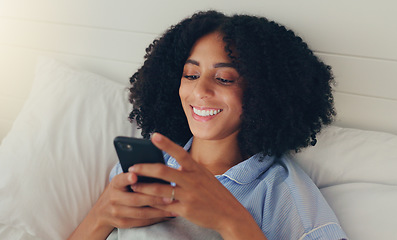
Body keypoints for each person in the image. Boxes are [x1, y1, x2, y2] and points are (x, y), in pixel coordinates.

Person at [69, 10, 347, 240]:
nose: (200, 90)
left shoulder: (281, 193)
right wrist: (100, 216)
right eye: (191, 75)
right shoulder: (144, 168)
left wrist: (233, 222)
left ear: (263, 93)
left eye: (224, 78)